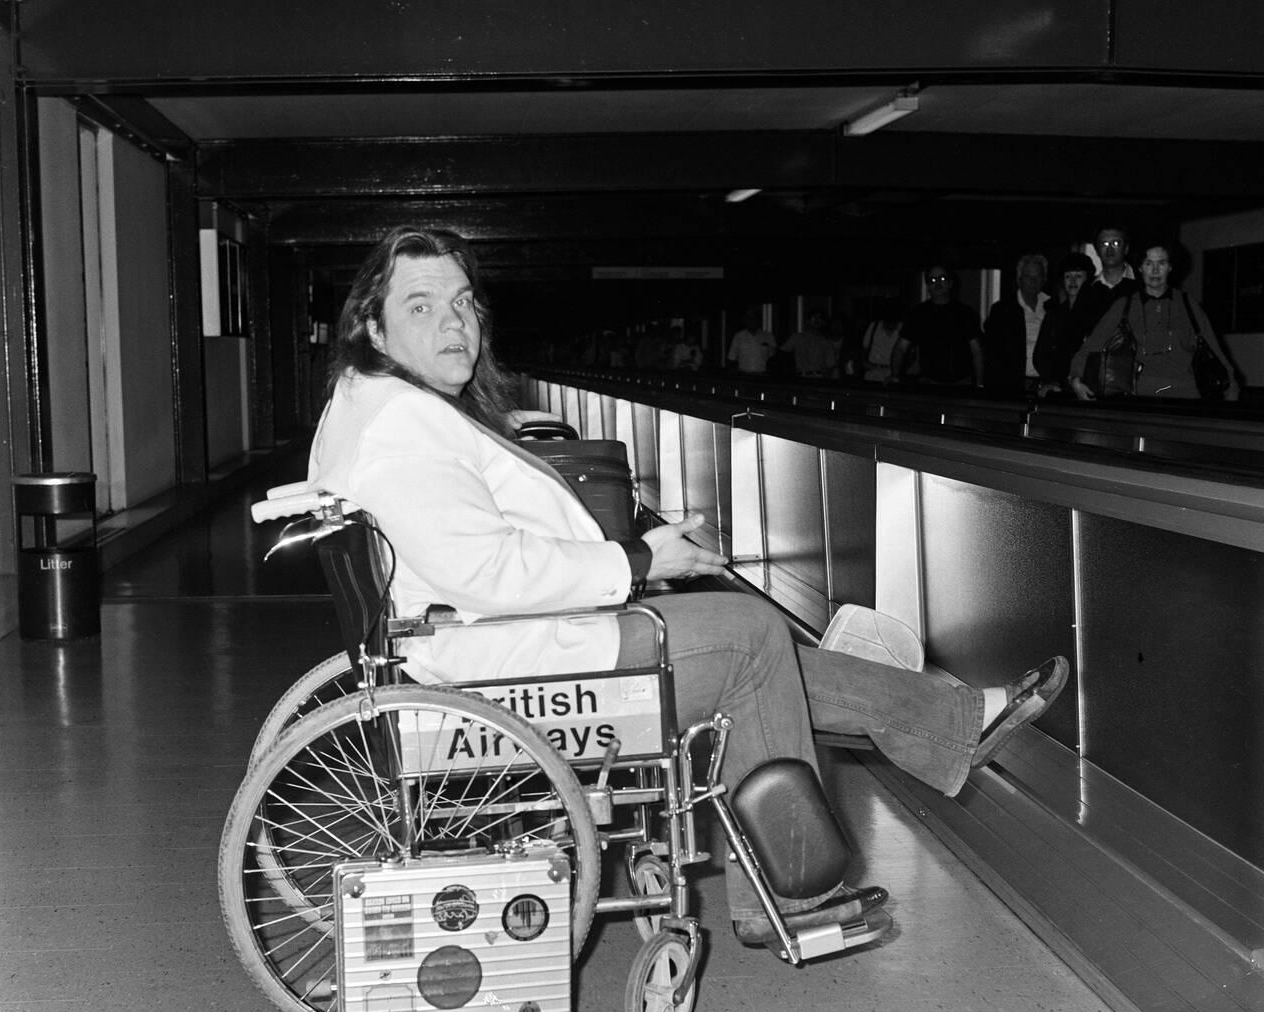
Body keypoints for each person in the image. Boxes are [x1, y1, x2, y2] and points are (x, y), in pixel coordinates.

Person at [306, 226, 1068, 941]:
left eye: (464, 302)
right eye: (422, 305)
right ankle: (794, 897)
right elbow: (488, 569)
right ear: (372, 329)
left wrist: (630, 555)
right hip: (505, 670)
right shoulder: (400, 430)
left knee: (754, 651)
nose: (455, 321)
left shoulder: (376, 408)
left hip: (481, 648)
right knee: (754, 637)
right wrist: (638, 564)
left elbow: (468, 547)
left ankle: (953, 723)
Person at [1068, 241, 1239, 402]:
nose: (1155, 271)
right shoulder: (1124, 305)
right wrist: (1075, 377)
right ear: (1140, 268)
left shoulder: (1187, 304)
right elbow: (1092, 345)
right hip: (1139, 400)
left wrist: (1231, 391)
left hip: (1185, 400)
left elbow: (1215, 350)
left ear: (1170, 267)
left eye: (1162, 263)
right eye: (1149, 263)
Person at [889, 266, 984, 388]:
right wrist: (895, 375)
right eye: (932, 280)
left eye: (942, 278)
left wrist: (980, 384)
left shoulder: (965, 313)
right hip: (929, 383)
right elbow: (900, 348)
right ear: (928, 286)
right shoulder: (919, 314)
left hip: (961, 384)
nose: (937, 283)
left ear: (950, 283)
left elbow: (977, 351)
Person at [983, 254, 1050, 396]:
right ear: (1019, 279)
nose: (1033, 281)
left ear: (1044, 279)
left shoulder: (1053, 307)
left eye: (1038, 276)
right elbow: (992, 353)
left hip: (1046, 386)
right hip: (1011, 386)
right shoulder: (1002, 310)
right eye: (1028, 276)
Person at [1032, 251, 1096, 392]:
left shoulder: (1095, 314)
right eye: (1068, 276)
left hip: (1085, 387)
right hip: (1056, 387)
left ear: (1088, 279)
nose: (1072, 281)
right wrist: (1054, 380)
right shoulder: (1054, 314)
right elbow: (1040, 355)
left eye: (1078, 276)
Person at [1077, 225, 1138, 332]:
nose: (1110, 249)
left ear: (1126, 248)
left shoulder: (1142, 286)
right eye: (1104, 244)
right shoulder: (1088, 289)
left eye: (1116, 243)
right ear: (1096, 250)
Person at [781, 309, 839, 378]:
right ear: (807, 321)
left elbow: (831, 365)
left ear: (823, 322)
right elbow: (782, 354)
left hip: (819, 378)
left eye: (820, 318)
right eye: (814, 317)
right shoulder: (797, 337)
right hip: (799, 377)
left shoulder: (826, 342)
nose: (817, 320)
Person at [727, 308, 777, 375]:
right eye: (748, 318)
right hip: (743, 376)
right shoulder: (738, 336)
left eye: (754, 318)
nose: (751, 321)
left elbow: (774, 359)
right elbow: (731, 358)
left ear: (758, 320)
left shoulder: (769, 336)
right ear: (745, 321)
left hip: (763, 376)